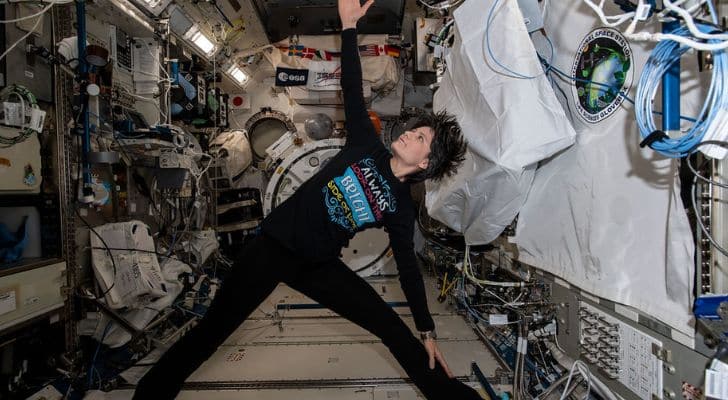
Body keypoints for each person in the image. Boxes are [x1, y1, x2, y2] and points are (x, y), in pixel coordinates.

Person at [133, 0, 480, 398]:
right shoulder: (367, 146)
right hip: (273, 247)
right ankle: (150, 394)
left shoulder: (400, 207)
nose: (411, 133)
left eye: (421, 139)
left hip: (317, 264)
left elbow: (407, 269)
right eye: (417, 129)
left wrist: (427, 328)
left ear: (426, 163)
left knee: (388, 326)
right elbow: (352, 85)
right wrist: (349, 28)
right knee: (214, 329)